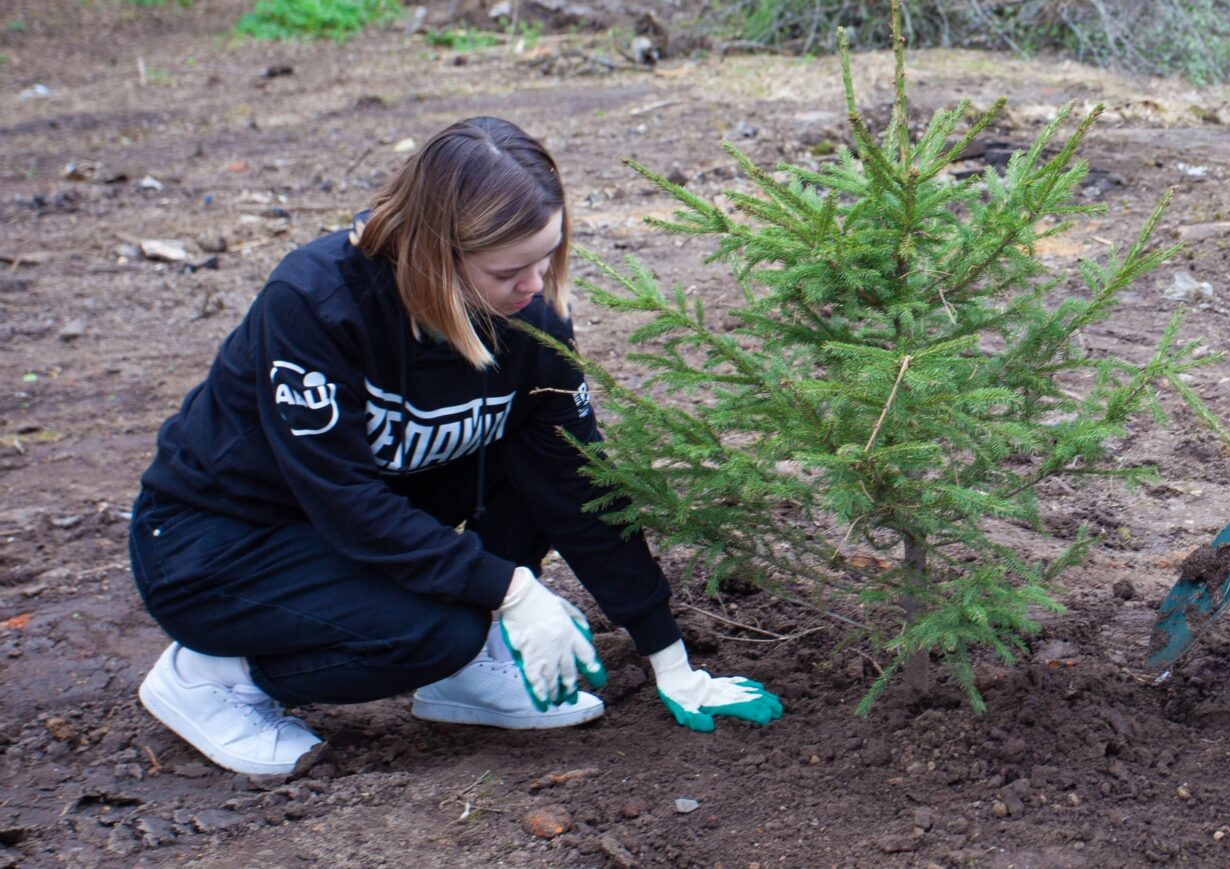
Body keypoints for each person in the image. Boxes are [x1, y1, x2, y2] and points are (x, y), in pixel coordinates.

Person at [130, 117, 782, 776]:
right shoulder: (317, 304)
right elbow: (347, 501)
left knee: (532, 450)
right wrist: (509, 591)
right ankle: (214, 673)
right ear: (435, 253)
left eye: (548, 255)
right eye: (509, 269)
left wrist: (671, 660)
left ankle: (466, 670)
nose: (535, 286)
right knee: (430, 632)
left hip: (351, 526)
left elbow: (578, 483)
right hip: (217, 544)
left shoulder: (527, 318)